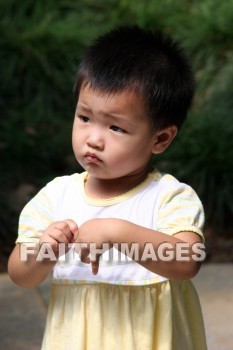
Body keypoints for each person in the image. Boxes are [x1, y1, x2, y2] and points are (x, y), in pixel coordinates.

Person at [8, 25, 207, 350]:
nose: (93, 139)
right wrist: (46, 249)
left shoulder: (168, 197)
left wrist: (116, 231)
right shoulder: (56, 197)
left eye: (116, 126)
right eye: (85, 118)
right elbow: (20, 272)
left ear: (160, 138)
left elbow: (188, 260)